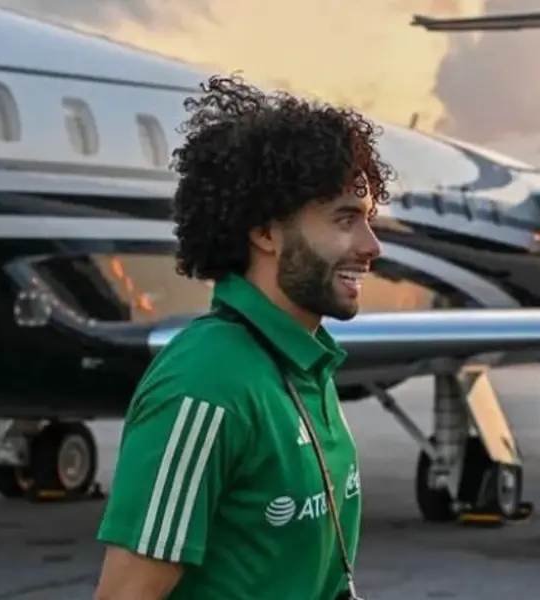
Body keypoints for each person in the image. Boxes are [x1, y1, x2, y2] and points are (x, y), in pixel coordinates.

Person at [92, 74, 390, 600]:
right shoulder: (208, 380)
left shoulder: (306, 367)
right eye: (345, 220)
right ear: (265, 232)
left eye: (367, 220)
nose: (372, 246)